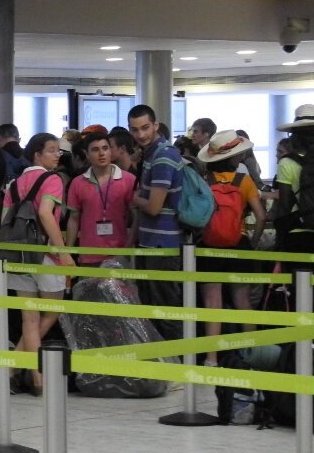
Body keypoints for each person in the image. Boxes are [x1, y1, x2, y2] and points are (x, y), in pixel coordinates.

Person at [3, 134, 74, 395]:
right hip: (45, 254)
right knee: (53, 310)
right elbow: (45, 212)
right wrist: (62, 251)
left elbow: (4, 220)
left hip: (17, 254)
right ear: (37, 155)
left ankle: (33, 377)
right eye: (52, 150)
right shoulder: (52, 179)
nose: (57, 155)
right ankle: (20, 372)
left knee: (29, 318)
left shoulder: (13, 184)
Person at [196, 130, 266, 366]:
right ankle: (251, 356)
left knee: (212, 304)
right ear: (234, 157)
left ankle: (211, 358)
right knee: (243, 300)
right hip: (239, 245)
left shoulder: (205, 180)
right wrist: (252, 242)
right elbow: (261, 215)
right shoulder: (244, 181)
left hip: (209, 247)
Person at [128, 104, 184, 340]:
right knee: (155, 311)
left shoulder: (163, 156)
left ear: (156, 125)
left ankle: (175, 371)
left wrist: (133, 197)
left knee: (164, 312)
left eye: (145, 128)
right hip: (153, 243)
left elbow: (153, 206)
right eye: (135, 129)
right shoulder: (153, 154)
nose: (141, 134)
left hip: (162, 246)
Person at [65, 131, 136, 265]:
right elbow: (73, 219)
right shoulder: (77, 183)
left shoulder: (129, 180)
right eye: (95, 150)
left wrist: (128, 248)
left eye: (105, 148)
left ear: (110, 151)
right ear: (87, 154)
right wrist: (67, 253)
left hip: (120, 254)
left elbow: (136, 217)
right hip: (88, 255)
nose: (101, 153)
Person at [274, 104, 314, 263]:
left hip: (298, 229)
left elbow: (284, 204)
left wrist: (281, 235)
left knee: (298, 282)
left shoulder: (287, 163)